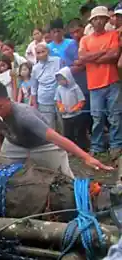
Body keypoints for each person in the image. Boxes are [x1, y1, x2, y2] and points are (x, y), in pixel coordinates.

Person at [79, 6, 122, 159]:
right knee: (97, 117)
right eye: (95, 19)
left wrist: (93, 57)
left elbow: (115, 54)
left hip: (112, 81)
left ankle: (116, 145)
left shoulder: (113, 35)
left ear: (106, 20)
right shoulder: (85, 39)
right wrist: (104, 52)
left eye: (101, 18)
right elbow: (82, 58)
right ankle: (97, 146)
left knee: (115, 116)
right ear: (92, 21)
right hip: (94, 84)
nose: (98, 21)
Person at [55, 67, 89, 151]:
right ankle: (70, 148)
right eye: (58, 80)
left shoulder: (75, 87)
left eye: (62, 79)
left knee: (80, 131)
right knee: (68, 133)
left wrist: (76, 108)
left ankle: (82, 147)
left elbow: (81, 100)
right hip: (66, 116)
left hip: (77, 115)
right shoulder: (59, 89)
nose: (60, 82)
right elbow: (58, 100)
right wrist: (60, 107)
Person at [30, 43, 63, 128]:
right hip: (44, 99)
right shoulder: (35, 68)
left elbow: (64, 77)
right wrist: (35, 105)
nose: (41, 54)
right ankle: (52, 142)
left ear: (47, 51)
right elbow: (34, 88)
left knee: (62, 123)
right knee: (49, 125)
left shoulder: (57, 60)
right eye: (38, 52)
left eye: (43, 51)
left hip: (59, 97)